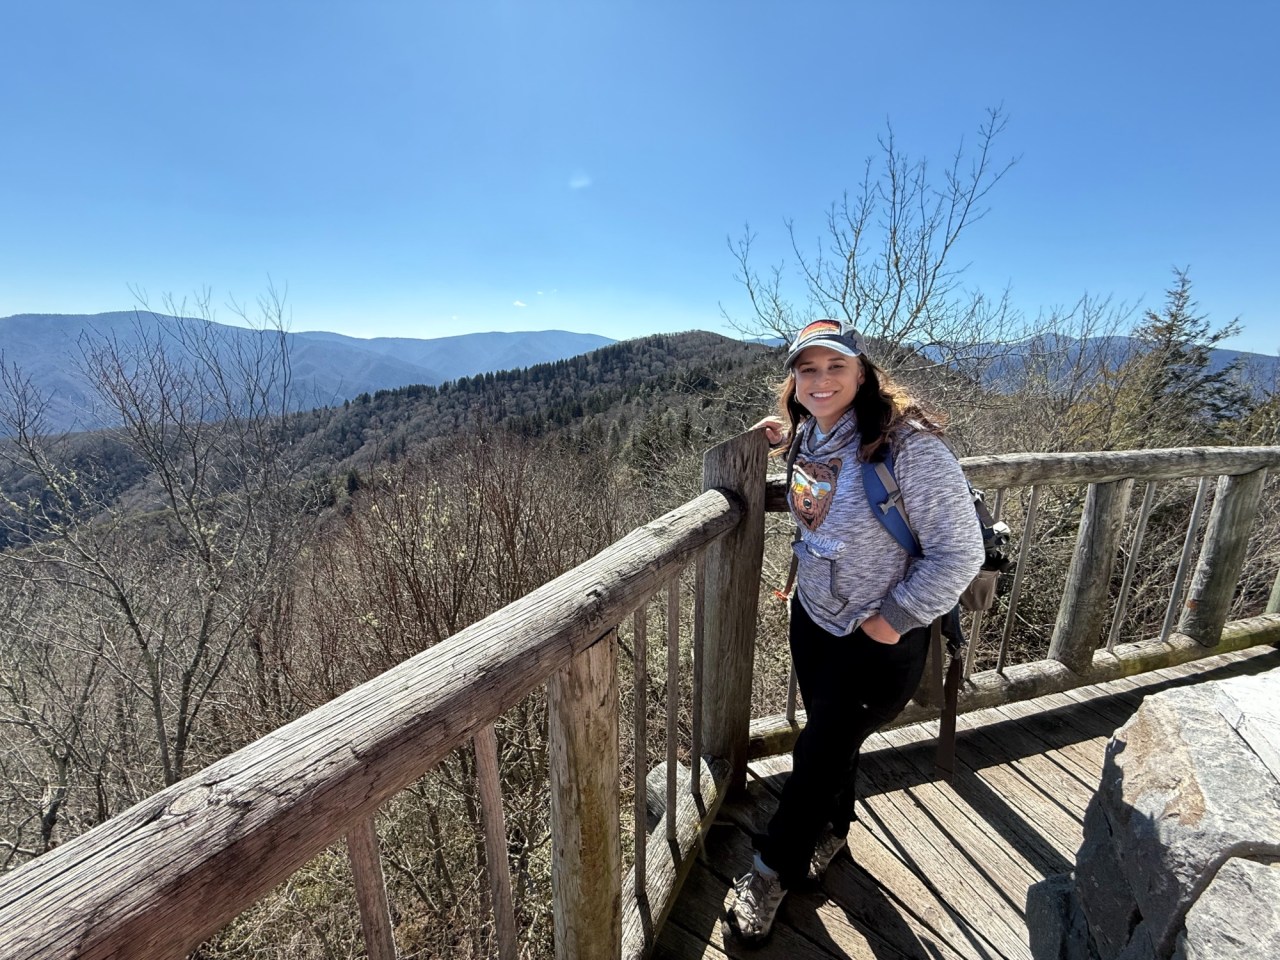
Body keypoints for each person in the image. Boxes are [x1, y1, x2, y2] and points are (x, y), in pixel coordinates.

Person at [726, 318, 985, 944]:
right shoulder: (812, 434)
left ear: (862, 373)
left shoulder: (910, 449)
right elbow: (823, 482)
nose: (820, 380)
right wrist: (781, 436)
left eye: (834, 367)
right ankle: (833, 833)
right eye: (806, 370)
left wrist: (890, 621)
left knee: (817, 753)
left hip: (877, 639)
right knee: (830, 742)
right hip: (814, 618)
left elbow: (959, 553)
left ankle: (770, 870)